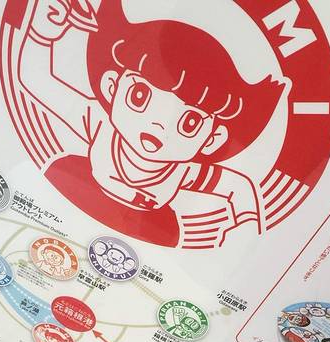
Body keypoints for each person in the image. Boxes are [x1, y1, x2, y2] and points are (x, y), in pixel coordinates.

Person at [17, 0, 284, 247]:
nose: (159, 126)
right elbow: (38, 83)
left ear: (212, 139)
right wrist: (44, 34)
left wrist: (247, 235)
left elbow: (239, 187)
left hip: (147, 234)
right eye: (140, 95)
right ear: (112, 87)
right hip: (72, 198)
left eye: (189, 122)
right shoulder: (98, 126)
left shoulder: (183, 172)